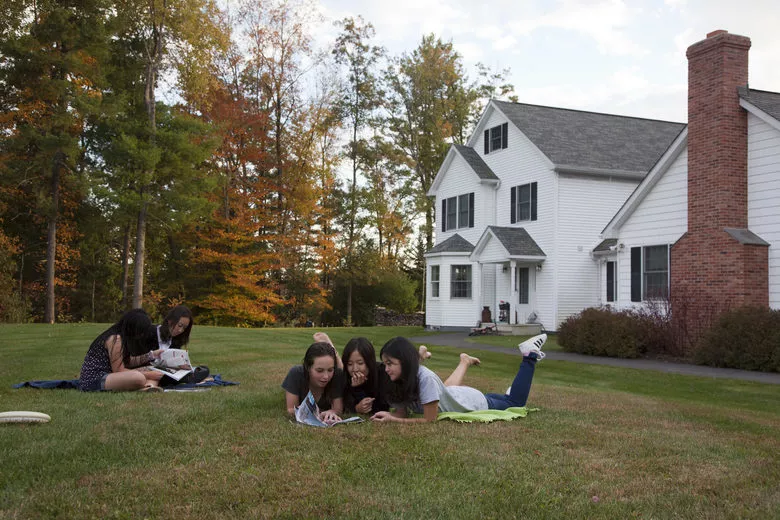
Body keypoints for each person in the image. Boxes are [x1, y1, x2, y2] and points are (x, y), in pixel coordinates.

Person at [371, 334, 546, 424]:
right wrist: (391, 414)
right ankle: (508, 393)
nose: (386, 369)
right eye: (385, 363)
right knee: (506, 398)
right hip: (456, 394)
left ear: (404, 362)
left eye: (390, 363)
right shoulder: (399, 379)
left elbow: (429, 420)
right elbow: (402, 412)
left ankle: (529, 354)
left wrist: (395, 421)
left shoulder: (426, 379)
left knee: (516, 402)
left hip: (472, 401)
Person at [78, 309, 164, 392]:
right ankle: (146, 385)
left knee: (151, 372)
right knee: (139, 377)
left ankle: (149, 387)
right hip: (95, 380)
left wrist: (151, 355)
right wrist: (148, 374)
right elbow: (119, 370)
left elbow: (127, 362)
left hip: (110, 376)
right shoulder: (115, 339)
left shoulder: (122, 338)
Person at [282, 342, 346, 424]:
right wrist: (317, 414)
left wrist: (332, 412)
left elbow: (338, 409)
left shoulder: (337, 375)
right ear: (308, 367)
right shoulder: (296, 373)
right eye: (319, 371)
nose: (326, 376)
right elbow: (291, 410)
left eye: (330, 370)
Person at [152, 305, 209, 385]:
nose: (180, 330)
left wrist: (181, 365)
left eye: (184, 328)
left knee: (204, 369)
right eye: (179, 325)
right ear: (170, 320)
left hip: (169, 372)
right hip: (150, 370)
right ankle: (188, 379)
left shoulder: (176, 339)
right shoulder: (152, 333)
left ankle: (187, 377)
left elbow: (173, 362)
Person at [340, 337, 390, 415]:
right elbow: (345, 406)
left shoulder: (382, 372)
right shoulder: (345, 376)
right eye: (350, 364)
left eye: (360, 363)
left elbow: (381, 408)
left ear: (369, 362)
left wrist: (358, 388)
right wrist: (357, 408)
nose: (355, 369)